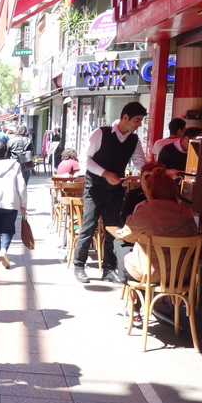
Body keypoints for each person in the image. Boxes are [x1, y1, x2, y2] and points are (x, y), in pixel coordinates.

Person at [73, 101, 147, 284]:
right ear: (125, 117)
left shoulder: (133, 140)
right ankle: (78, 266)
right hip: (94, 188)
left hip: (115, 190)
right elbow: (86, 159)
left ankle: (108, 269)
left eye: (141, 121)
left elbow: (141, 163)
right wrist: (105, 174)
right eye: (137, 120)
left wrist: (154, 172)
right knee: (88, 227)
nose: (139, 124)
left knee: (114, 229)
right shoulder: (101, 133)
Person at [114, 167, 198, 326]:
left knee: (123, 251)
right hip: (182, 275)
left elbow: (126, 235)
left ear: (150, 191)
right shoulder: (186, 213)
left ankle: (136, 308)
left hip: (150, 273)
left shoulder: (145, 211)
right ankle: (170, 308)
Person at [0, 141, 27, 269]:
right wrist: (23, 203)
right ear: (5, 152)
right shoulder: (14, 165)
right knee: (7, 228)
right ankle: (3, 250)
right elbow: (21, 185)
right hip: (10, 201)